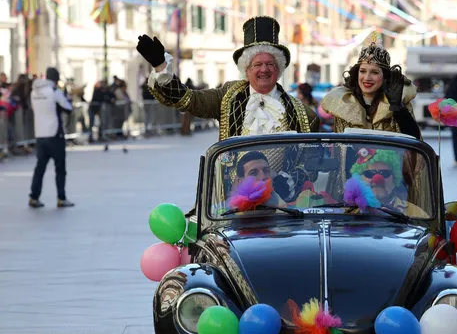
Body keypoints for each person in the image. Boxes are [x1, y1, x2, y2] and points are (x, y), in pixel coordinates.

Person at [136, 16, 319, 141]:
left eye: (270, 64)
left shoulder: (305, 116)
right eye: (257, 64)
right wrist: (161, 67)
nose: (264, 69)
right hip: (233, 194)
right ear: (246, 70)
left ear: (278, 69)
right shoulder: (227, 97)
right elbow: (188, 100)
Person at [320, 34, 421, 139]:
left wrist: (397, 108)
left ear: (385, 77)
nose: (367, 77)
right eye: (362, 71)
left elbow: (413, 140)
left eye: (375, 72)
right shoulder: (343, 103)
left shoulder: (399, 100)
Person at [28, 67, 74, 208]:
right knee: (60, 168)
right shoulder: (54, 91)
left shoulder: (34, 92)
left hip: (40, 134)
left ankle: (34, 197)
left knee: (40, 168)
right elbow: (68, 107)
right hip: (55, 134)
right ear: (55, 79)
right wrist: (68, 98)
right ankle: (61, 198)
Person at [348, 148, 426, 217]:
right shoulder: (346, 213)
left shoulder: (416, 213)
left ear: (394, 179)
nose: (377, 179)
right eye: (369, 173)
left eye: (385, 173)